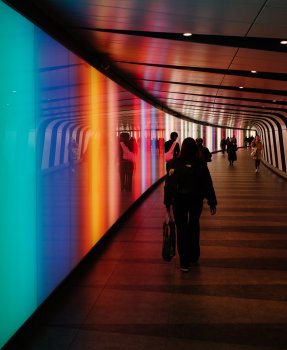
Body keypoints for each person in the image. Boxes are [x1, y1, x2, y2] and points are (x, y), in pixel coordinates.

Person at [164, 137, 217, 272]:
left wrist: (167, 203)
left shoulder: (174, 164)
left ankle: (184, 262)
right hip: (195, 200)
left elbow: (168, 185)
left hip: (179, 201)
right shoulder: (200, 164)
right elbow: (207, 184)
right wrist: (212, 202)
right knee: (194, 225)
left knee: (182, 228)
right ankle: (194, 254)